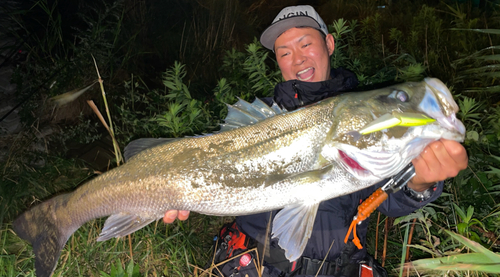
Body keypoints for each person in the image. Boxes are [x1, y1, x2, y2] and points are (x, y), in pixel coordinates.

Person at [163, 5, 468, 277]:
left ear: (329, 43)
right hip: (254, 267)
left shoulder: (362, 116)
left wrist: (420, 183)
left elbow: (389, 199)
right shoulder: (261, 121)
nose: (297, 59)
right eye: (284, 52)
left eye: (306, 44)